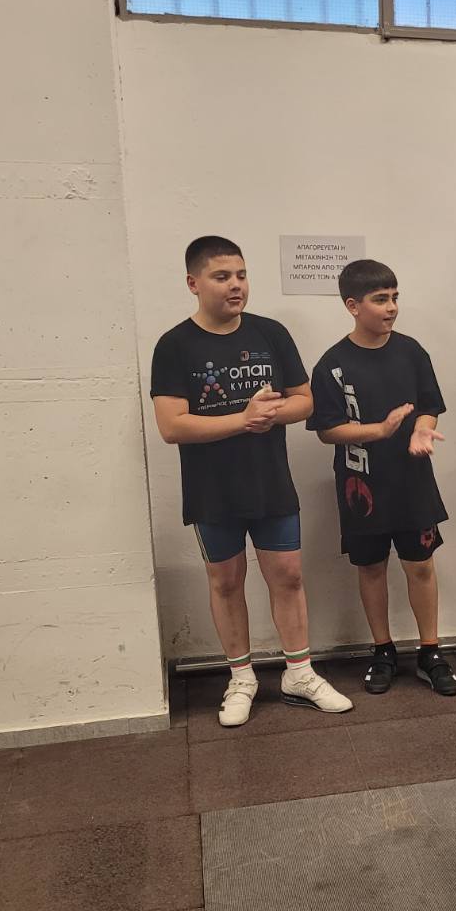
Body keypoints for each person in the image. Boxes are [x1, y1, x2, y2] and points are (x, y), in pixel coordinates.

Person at [150, 235, 353, 727]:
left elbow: (304, 401)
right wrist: (243, 419)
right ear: (193, 283)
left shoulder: (270, 333)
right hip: (212, 489)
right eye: (222, 277)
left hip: (269, 482)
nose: (235, 285)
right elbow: (172, 426)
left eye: (241, 275)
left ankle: (299, 673)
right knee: (226, 582)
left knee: (288, 576)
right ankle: (241, 678)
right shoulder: (175, 345)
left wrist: (270, 414)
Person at [308, 259, 456, 697]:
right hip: (362, 486)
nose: (391, 307)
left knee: (421, 565)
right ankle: (383, 650)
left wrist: (421, 429)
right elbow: (326, 430)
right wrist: (378, 431)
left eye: (394, 297)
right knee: (371, 567)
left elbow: (429, 406)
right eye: (380, 299)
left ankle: (430, 651)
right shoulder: (332, 364)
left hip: (413, 480)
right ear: (352, 306)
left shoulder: (412, 352)